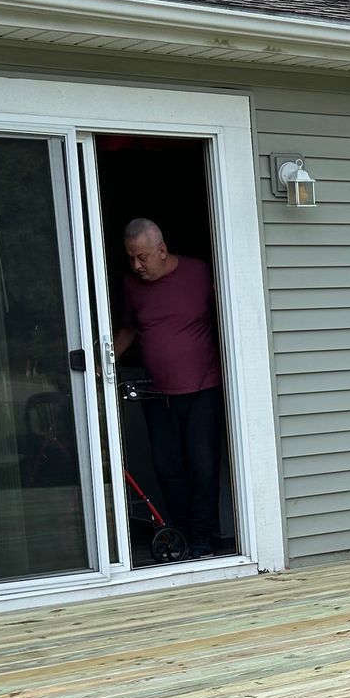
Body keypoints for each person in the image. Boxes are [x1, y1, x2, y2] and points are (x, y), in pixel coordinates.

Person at [112, 219, 224, 557]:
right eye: (131, 258)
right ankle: (184, 535)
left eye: (142, 257)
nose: (136, 265)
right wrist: (101, 364)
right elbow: (129, 329)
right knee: (167, 468)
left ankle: (203, 538)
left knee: (203, 466)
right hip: (157, 393)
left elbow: (227, 316)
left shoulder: (199, 273)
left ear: (162, 250)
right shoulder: (132, 285)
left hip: (202, 388)